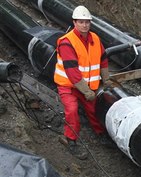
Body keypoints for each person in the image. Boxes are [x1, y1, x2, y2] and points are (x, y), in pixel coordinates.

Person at [54, 5, 112, 160]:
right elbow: (72, 71)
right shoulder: (67, 42)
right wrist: (87, 92)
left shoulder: (95, 38)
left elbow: (103, 59)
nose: (84, 25)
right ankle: (70, 139)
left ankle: (100, 133)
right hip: (68, 85)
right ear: (74, 22)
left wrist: (106, 80)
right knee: (72, 110)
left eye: (87, 22)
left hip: (86, 86)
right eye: (81, 22)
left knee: (94, 109)